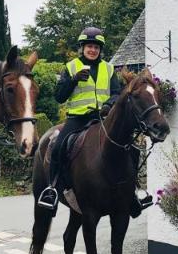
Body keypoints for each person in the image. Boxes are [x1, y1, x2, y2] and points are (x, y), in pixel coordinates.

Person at [37, 26, 122, 211]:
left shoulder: (109, 69)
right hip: (77, 119)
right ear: (82, 47)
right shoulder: (71, 67)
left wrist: (109, 105)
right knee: (58, 147)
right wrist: (73, 79)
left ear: (100, 50)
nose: (93, 50)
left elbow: (117, 93)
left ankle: (131, 192)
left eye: (96, 47)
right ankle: (52, 189)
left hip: (102, 119)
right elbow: (59, 96)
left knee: (126, 145)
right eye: (89, 46)